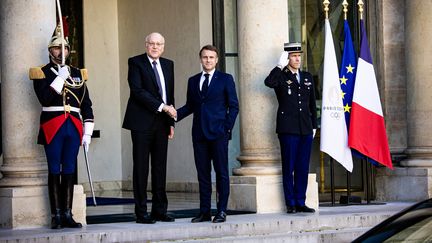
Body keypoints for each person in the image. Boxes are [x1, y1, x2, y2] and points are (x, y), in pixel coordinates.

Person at [30, 25, 94, 229]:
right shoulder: (41, 73)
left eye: (64, 48)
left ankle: (67, 214)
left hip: (73, 126)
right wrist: (59, 78)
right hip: (53, 125)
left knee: (69, 169)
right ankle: (56, 215)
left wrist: (88, 131)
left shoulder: (78, 73)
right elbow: (45, 99)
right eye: (57, 48)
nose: (61, 51)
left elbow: (86, 104)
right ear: (50, 51)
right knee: (53, 169)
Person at [176, 45, 239, 223]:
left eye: (211, 57)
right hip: (199, 135)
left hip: (219, 134)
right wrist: (174, 115)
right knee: (202, 174)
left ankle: (221, 211)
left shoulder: (226, 79)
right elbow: (190, 106)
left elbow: (233, 105)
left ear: (217, 60)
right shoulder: (193, 80)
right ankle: (204, 211)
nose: (208, 60)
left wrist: (227, 128)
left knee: (221, 173)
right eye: (205, 57)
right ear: (200, 59)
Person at [122, 32, 176, 224]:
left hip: (162, 124)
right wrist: (162, 107)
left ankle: (160, 210)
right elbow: (137, 91)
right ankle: (141, 212)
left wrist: (171, 122)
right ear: (146, 45)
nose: (155, 47)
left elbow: (170, 94)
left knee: (160, 167)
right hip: (141, 122)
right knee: (141, 168)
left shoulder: (168, 65)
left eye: (158, 44)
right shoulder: (136, 62)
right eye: (151, 43)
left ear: (163, 46)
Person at [264, 42, 317, 214]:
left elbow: (311, 104)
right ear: (287, 58)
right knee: (289, 167)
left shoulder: (307, 77)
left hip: (306, 128)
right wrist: (279, 66)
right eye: (293, 56)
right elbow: (268, 82)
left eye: (299, 56)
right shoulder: (280, 76)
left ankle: (301, 201)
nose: (297, 59)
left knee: (302, 166)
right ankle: (291, 203)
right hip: (288, 129)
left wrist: (314, 126)